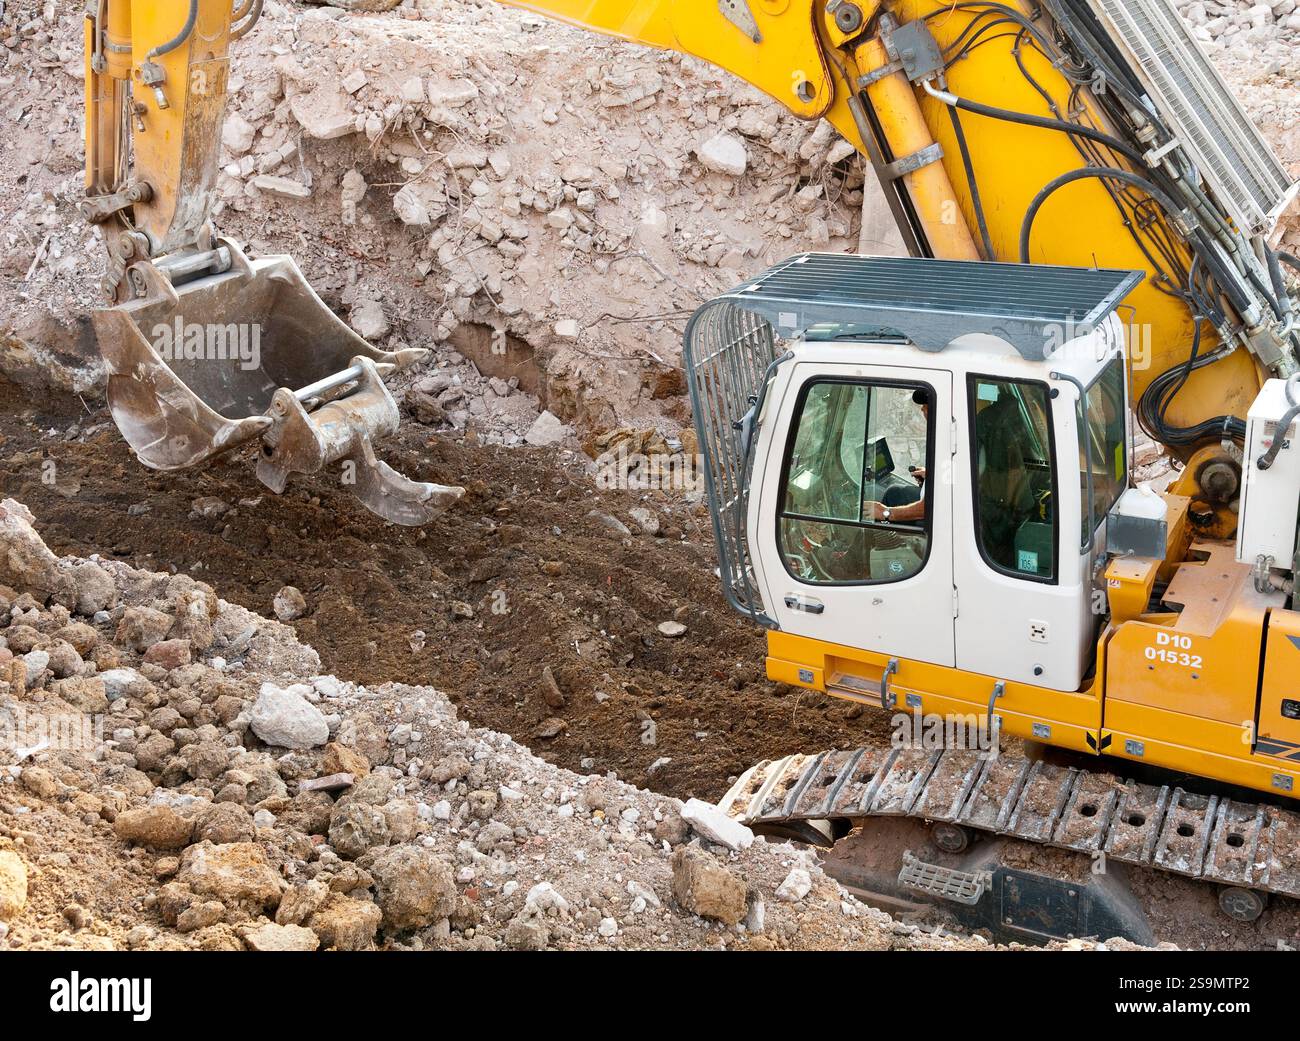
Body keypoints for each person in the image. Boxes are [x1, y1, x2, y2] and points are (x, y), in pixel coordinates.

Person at [864, 387, 929, 524]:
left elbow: (931, 507)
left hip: (939, 515)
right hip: (934, 499)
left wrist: (885, 513)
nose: (922, 409)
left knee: (889, 502)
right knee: (894, 492)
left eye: (926, 405)